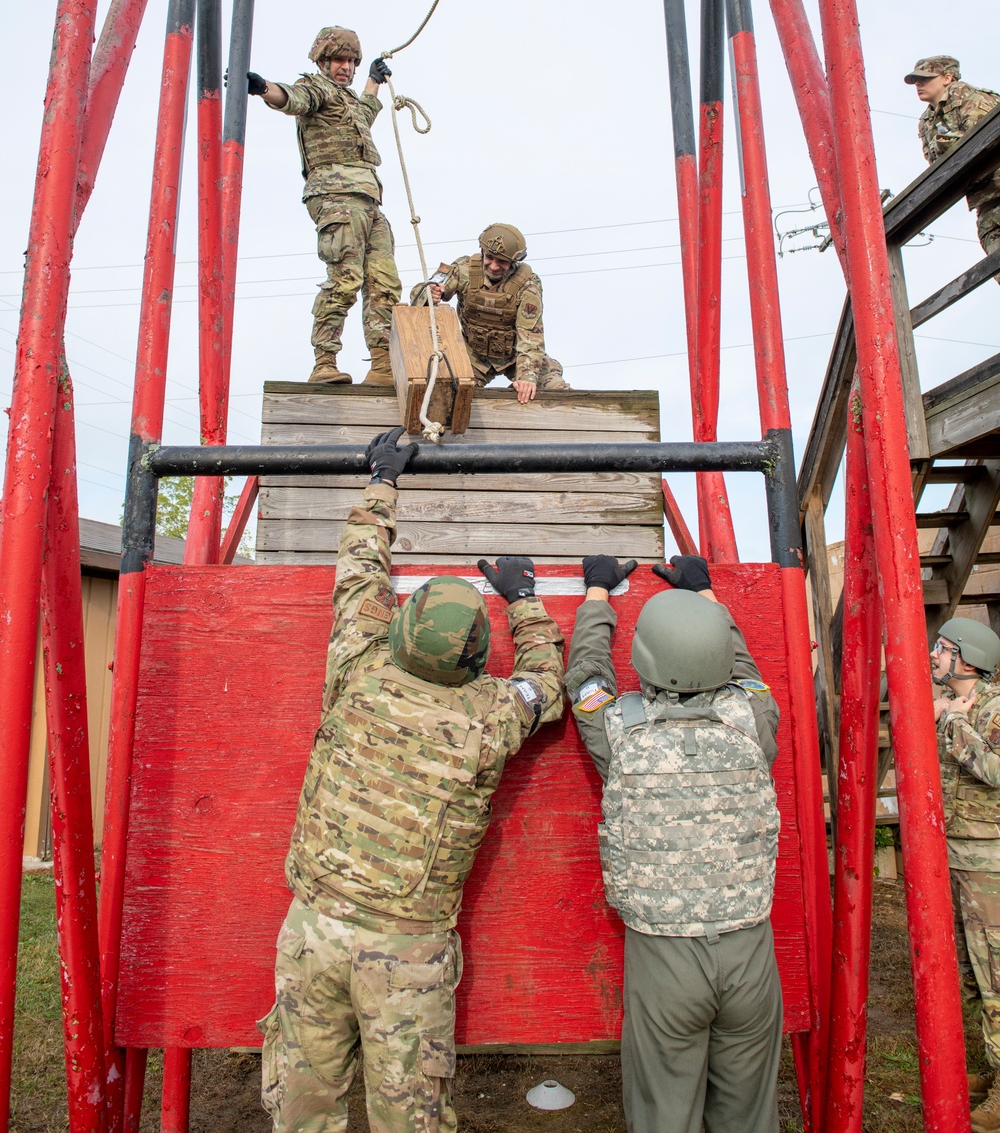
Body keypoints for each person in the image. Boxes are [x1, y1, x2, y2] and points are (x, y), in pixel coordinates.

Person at [258, 426, 565, 1133]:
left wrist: (383, 481)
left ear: (402, 631)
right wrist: (522, 599)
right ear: (475, 658)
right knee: (412, 1122)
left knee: (303, 1114)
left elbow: (359, 571)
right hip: (408, 953)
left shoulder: (357, 669)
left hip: (313, 928)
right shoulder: (490, 715)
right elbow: (545, 685)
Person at [567, 551, 782, 1133]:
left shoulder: (619, 732)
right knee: (751, 1117)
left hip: (664, 957)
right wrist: (705, 593)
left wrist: (597, 595)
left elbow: (586, 677)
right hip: (750, 951)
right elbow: (744, 666)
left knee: (664, 1115)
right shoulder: (753, 717)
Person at [248, 26, 401, 385]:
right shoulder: (317, 89)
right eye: (338, 60)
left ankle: (381, 364)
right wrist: (262, 88)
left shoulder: (347, 100)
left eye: (351, 61)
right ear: (323, 61)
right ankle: (325, 361)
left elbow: (363, 113)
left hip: (368, 199)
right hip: (336, 199)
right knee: (345, 279)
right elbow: (292, 98)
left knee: (384, 282)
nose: (345, 67)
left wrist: (373, 82)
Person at [931, 617, 1000, 1131]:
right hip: (954, 856)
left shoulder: (995, 708)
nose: (934, 655)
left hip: (988, 865)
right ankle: (990, 1068)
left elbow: (996, 772)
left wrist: (954, 723)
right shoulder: (949, 708)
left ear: (968, 659)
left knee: (996, 974)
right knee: (972, 976)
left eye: (943, 648)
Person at [409, 223, 569, 402]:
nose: (493, 266)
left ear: (514, 262)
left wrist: (527, 377)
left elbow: (531, 336)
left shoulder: (528, 286)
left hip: (516, 356)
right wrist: (430, 293)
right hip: (473, 355)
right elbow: (418, 295)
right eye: (490, 257)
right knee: (447, 394)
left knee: (555, 388)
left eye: (502, 261)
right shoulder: (464, 269)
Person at [906, 56, 1000, 269]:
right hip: (986, 200)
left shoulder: (969, 97)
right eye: (916, 81)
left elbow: (985, 141)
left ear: (947, 77)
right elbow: (938, 166)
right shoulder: (926, 121)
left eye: (925, 79)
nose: (918, 85)